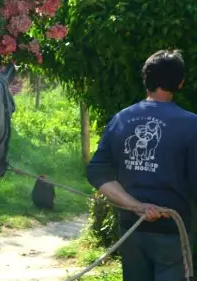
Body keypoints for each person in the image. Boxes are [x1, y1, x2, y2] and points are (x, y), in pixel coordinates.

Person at [86, 49, 197, 281]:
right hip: (171, 232)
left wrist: (135, 206)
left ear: (145, 80)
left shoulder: (121, 119)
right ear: (180, 82)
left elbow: (97, 171)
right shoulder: (191, 126)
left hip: (131, 230)